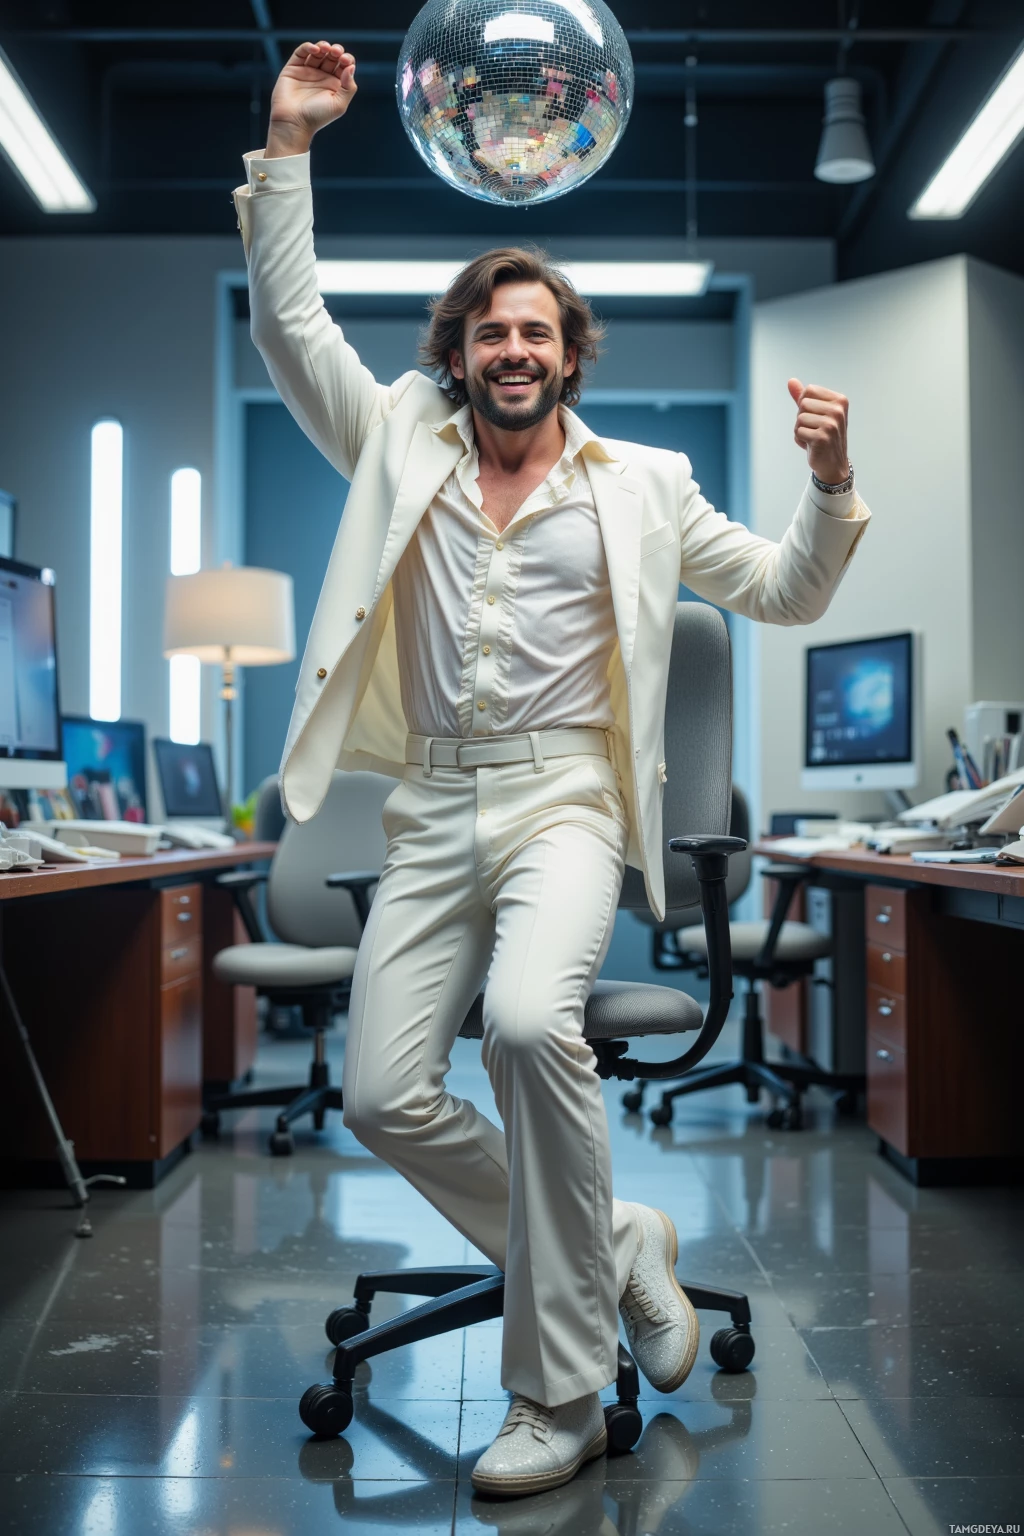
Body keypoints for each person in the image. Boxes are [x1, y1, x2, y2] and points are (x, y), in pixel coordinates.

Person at [234, 40, 870, 1499]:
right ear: (456, 353)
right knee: (382, 1095)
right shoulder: (394, 441)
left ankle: (560, 1395)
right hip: (430, 802)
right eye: (488, 333)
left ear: (569, 353)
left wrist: (831, 486)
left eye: (536, 332)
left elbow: (781, 591)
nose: (512, 350)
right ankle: (615, 1243)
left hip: (566, 801)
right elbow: (288, 323)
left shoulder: (644, 485)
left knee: (529, 1027)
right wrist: (291, 146)